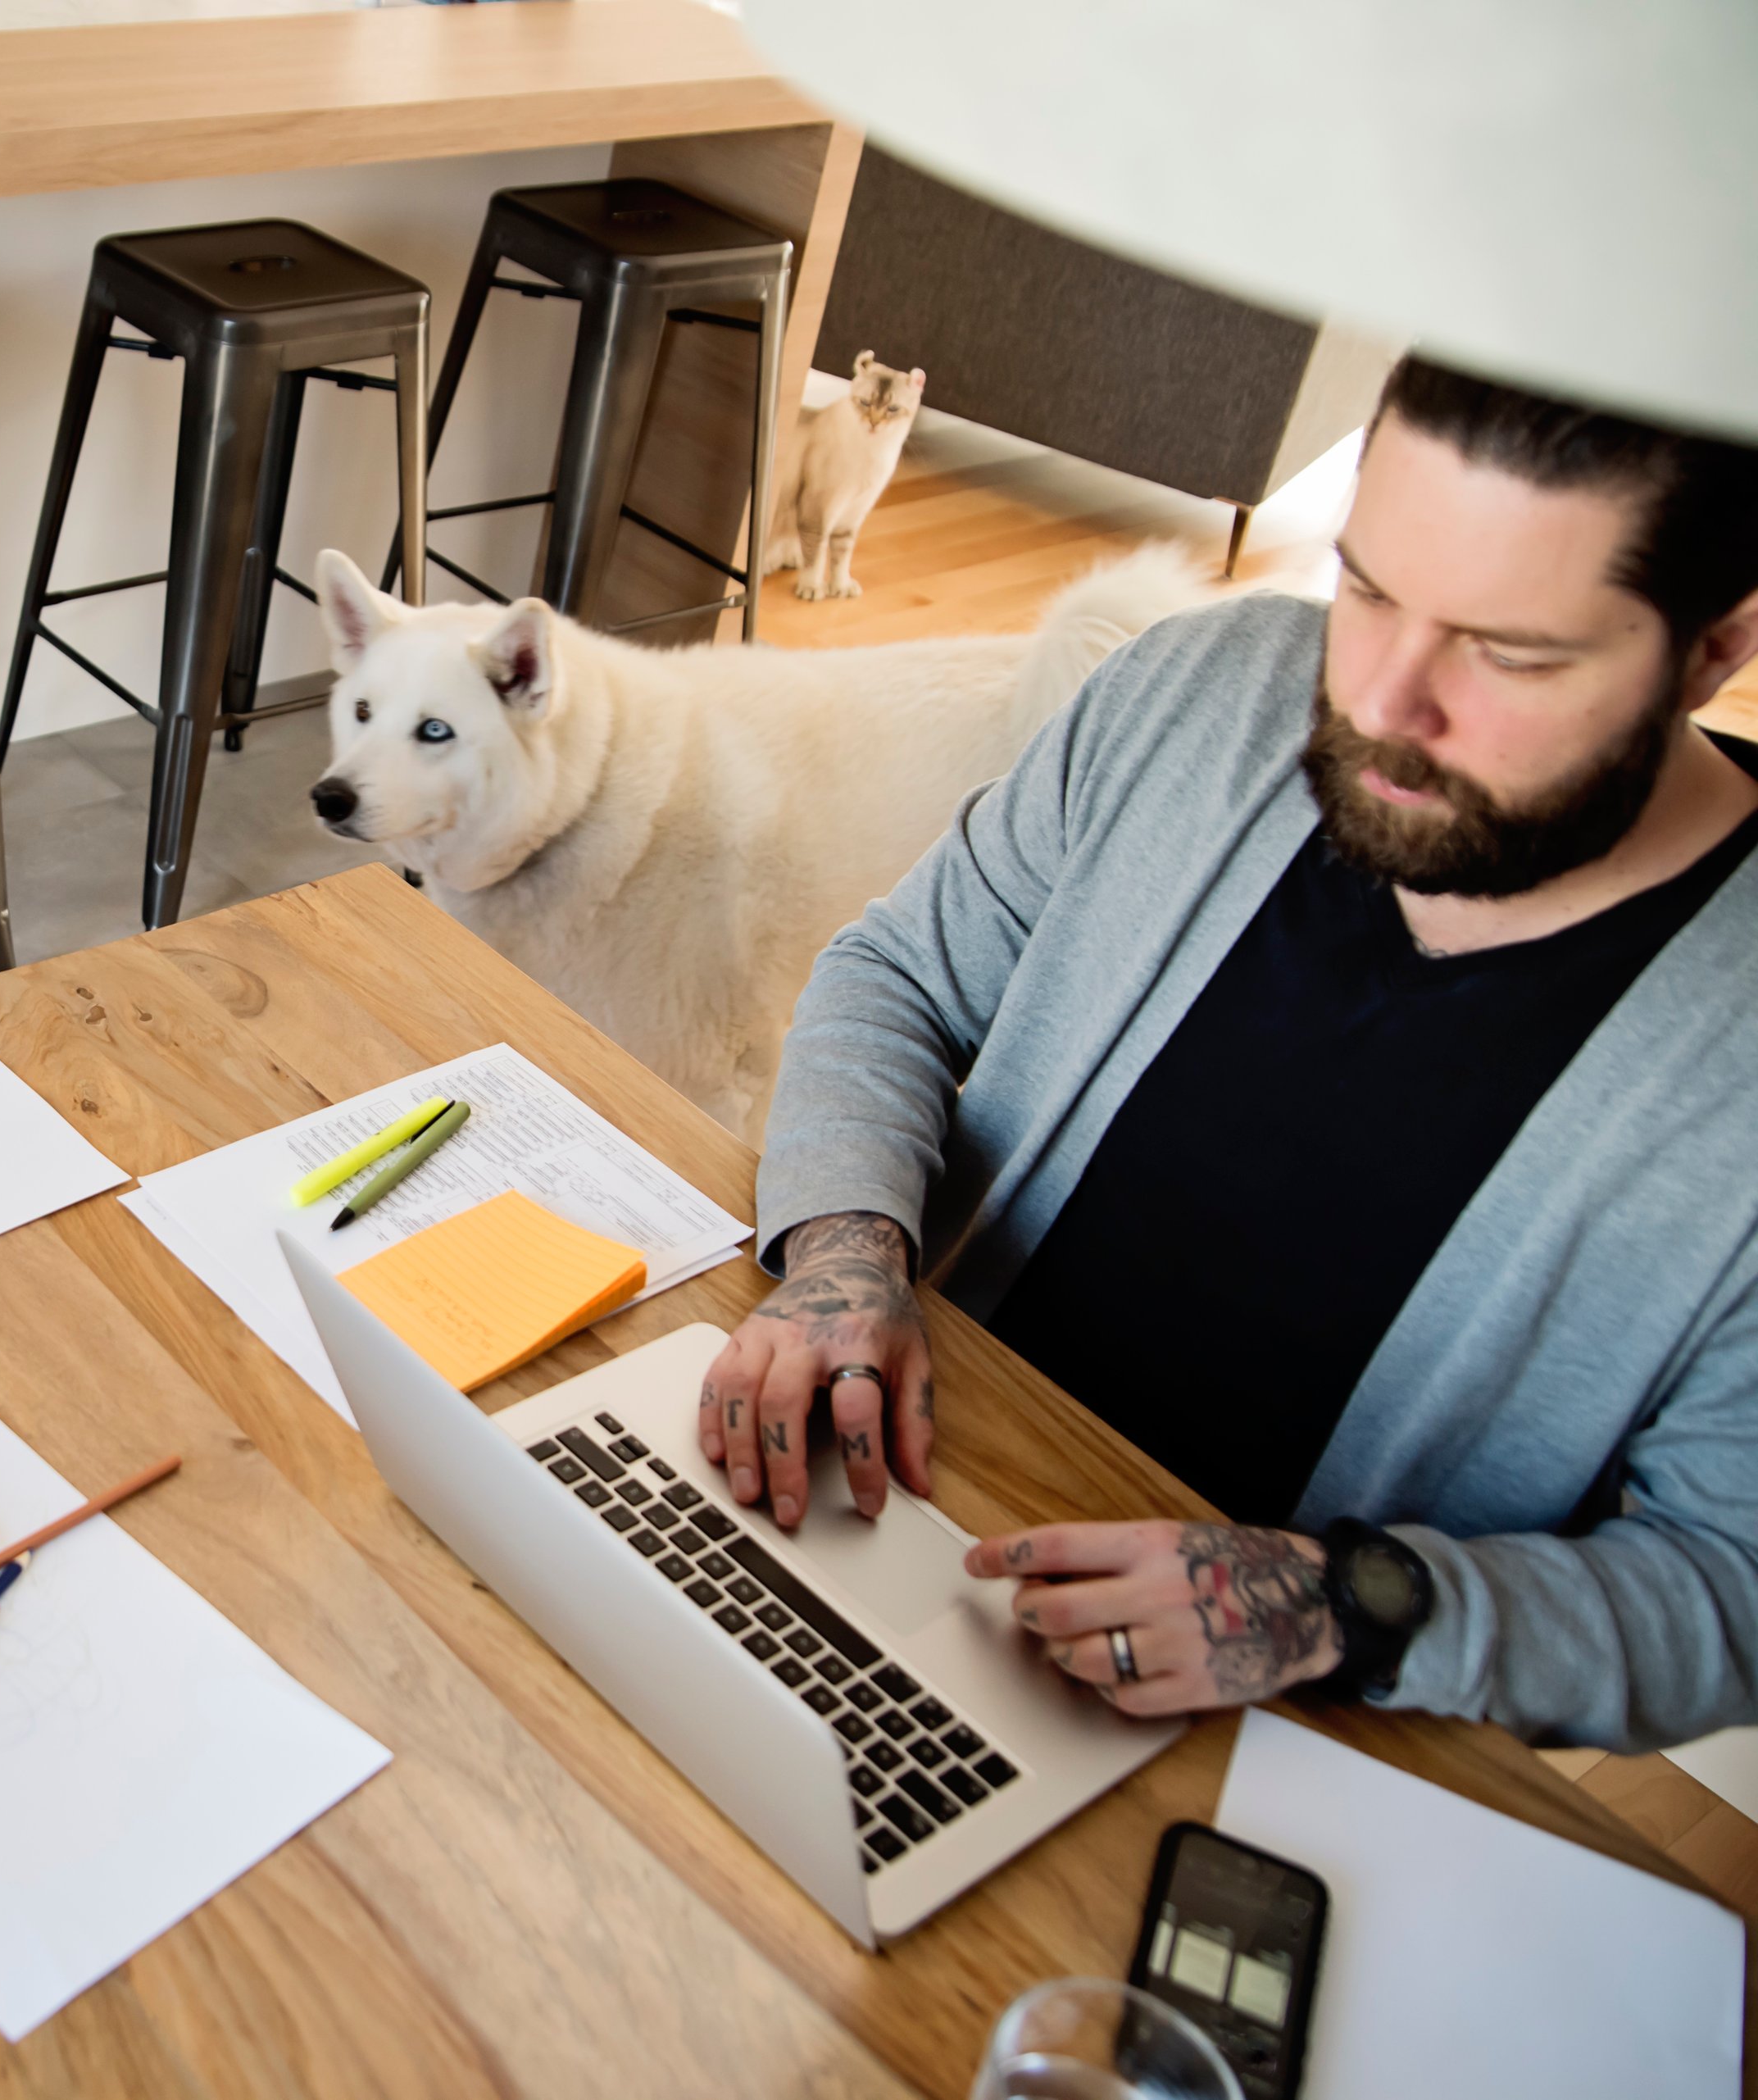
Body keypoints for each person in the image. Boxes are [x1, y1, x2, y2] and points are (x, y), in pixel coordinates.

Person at [700, 357, 1758, 1751]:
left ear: (1715, 647)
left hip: (1297, 1725)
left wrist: (1348, 1600)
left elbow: (1725, 1593)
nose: (1385, 699)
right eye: (1369, 589)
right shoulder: (1200, 691)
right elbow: (897, 974)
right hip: (909, 1500)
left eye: (1510, 651)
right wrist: (845, 1258)